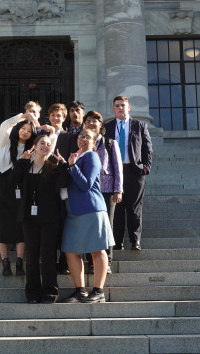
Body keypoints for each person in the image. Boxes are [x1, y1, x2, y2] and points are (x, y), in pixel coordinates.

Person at [60, 127, 115, 303]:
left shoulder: (92, 156)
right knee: (70, 251)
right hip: (73, 211)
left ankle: (98, 291)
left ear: (94, 141)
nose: (83, 139)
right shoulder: (76, 157)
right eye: (81, 136)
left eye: (88, 137)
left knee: (97, 250)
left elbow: (85, 184)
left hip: (91, 209)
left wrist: (71, 167)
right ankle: (80, 291)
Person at [11, 134, 65, 303]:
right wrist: (22, 161)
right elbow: (12, 181)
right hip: (28, 217)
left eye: (48, 144)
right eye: (42, 143)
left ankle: (50, 291)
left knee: (48, 255)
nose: (45, 146)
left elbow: (62, 187)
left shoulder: (54, 167)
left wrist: (63, 165)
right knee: (32, 256)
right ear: (34, 145)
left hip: (49, 218)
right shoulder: (25, 166)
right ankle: (32, 292)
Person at [104, 96, 153, 251]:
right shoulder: (108, 127)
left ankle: (135, 240)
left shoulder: (139, 125)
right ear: (113, 109)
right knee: (117, 208)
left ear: (129, 107)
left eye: (123, 105)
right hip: (114, 172)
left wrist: (146, 166)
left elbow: (147, 147)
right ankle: (117, 242)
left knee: (134, 207)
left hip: (134, 171)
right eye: (117, 106)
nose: (120, 108)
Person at [0, 120, 37, 276]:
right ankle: (5, 262)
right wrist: (24, 115)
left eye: (29, 131)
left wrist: (25, 160)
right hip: (4, 188)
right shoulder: (6, 143)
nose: (25, 132)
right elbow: (4, 126)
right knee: (1, 224)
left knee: (20, 224)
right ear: (18, 129)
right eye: (23, 129)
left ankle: (19, 261)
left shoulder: (33, 149)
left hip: (22, 189)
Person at [83, 110, 123, 275]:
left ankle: (107, 261)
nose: (92, 123)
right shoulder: (82, 143)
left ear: (101, 125)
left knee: (107, 225)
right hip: (87, 191)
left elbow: (118, 167)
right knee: (89, 226)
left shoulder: (110, 143)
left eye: (95, 121)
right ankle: (91, 261)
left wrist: (118, 189)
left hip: (106, 190)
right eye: (89, 121)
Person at [47, 103, 78, 275]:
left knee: (64, 224)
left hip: (63, 186)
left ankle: (63, 261)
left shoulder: (69, 137)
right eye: (53, 115)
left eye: (59, 115)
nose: (56, 118)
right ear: (49, 117)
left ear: (64, 117)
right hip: (45, 186)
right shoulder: (42, 135)